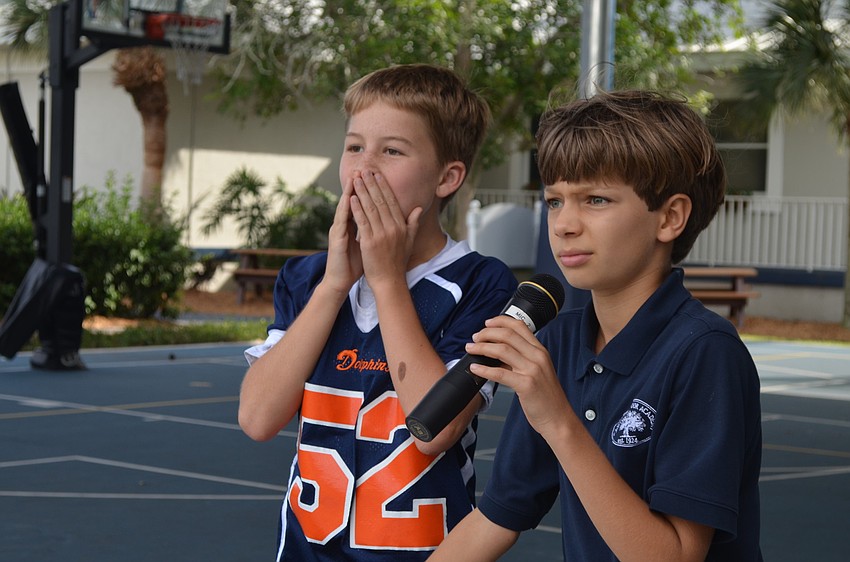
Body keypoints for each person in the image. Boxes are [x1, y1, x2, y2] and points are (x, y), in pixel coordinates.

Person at [429, 90, 763, 561]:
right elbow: (496, 519)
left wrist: (559, 422)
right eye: (554, 201)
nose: (565, 223)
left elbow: (674, 556)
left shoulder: (704, 352)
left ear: (669, 217)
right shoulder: (560, 343)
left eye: (596, 199)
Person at [238, 63, 518, 561]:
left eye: (391, 150)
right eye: (354, 147)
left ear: (447, 177)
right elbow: (257, 420)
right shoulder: (309, 279)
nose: (364, 168)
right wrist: (335, 285)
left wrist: (387, 280)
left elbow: (435, 430)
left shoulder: (482, 282)